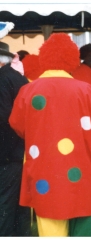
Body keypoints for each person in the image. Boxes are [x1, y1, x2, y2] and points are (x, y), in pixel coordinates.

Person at [9, 33, 91, 237]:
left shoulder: (28, 90)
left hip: (43, 166)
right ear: (72, 59)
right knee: (82, 213)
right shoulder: (84, 89)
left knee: (49, 215)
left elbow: (17, 125)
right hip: (80, 164)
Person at [0, 41, 31, 236]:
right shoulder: (20, 78)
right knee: (20, 201)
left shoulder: (2, 79)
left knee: (5, 201)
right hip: (21, 147)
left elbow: (4, 117)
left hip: (6, 149)